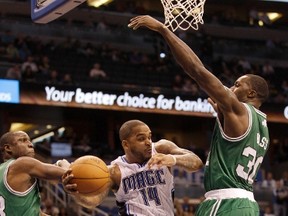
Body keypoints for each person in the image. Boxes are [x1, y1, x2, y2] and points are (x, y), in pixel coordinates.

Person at [128, 15, 270, 215]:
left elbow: (196, 69)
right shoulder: (262, 124)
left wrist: (163, 30)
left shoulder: (238, 109)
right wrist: (222, 117)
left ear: (251, 94)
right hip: (247, 204)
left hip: (225, 203)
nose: (231, 87)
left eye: (237, 85)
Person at [61, 119, 203, 215]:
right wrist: (75, 192)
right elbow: (93, 202)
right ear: (126, 144)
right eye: (141, 138)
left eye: (149, 137)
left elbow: (196, 162)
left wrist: (172, 159)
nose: (148, 142)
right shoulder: (115, 171)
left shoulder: (162, 149)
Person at [0, 131, 69, 215]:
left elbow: (34, 213)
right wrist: (63, 163)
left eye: (29, 140)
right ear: (8, 148)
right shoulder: (23, 163)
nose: (30, 144)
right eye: (23, 140)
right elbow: (69, 174)